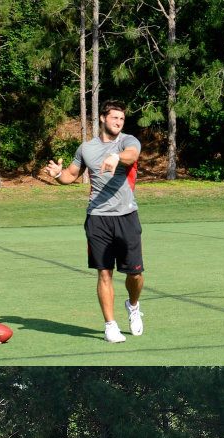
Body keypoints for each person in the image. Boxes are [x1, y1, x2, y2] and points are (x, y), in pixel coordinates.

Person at [44, 100, 145, 344]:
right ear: (102, 118)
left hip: (126, 216)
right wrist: (58, 175)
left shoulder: (128, 141)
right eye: (114, 118)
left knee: (135, 275)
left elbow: (131, 156)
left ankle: (133, 305)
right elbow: (71, 175)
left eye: (121, 119)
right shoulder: (86, 148)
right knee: (104, 273)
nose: (119, 122)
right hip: (98, 219)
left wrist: (116, 157)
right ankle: (110, 325)